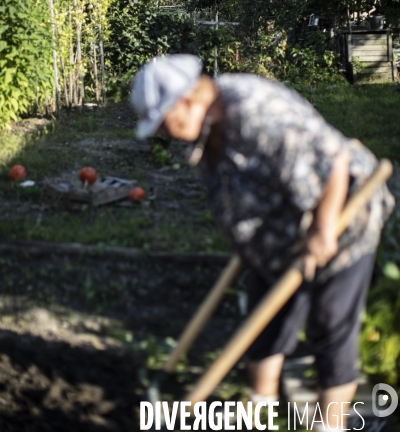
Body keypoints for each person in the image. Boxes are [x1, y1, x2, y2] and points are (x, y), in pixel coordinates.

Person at [130, 54, 394, 430]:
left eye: (162, 120)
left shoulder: (255, 113)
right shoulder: (209, 122)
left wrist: (321, 231)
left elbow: (333, 161)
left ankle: (330, 424)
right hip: (277, 233)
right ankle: (260, 408)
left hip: (341, 217)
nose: (162, 131)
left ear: (187, 101)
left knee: (330, 326)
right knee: (263, 317)